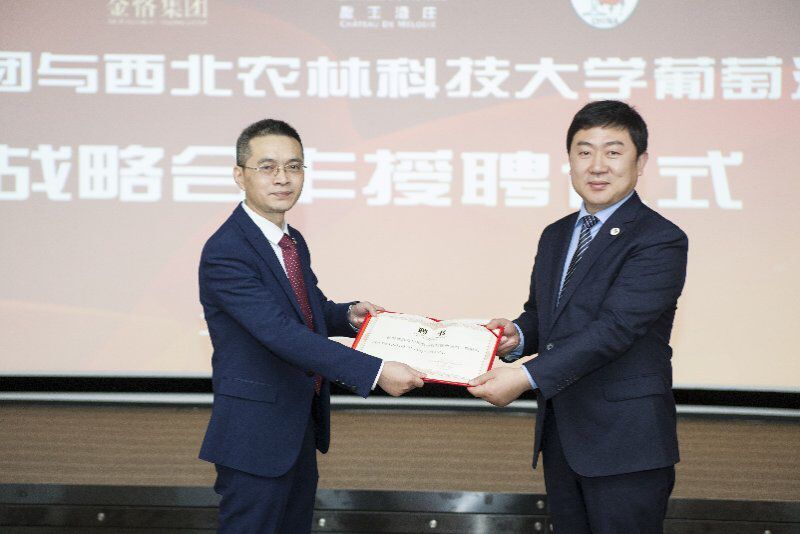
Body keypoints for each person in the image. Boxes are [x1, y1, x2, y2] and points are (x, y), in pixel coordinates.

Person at [469, 100, 688, 533]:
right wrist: (516, 335)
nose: (597, 165)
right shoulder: (556, 234)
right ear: (569, 160)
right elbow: (543, 315)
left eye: (613, 152)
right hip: (563, 437)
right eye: (584, 152)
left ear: (641, 162)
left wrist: (525, 377)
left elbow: (614, 329)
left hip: (626, 443)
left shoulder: (660, 239)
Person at [198, 119, 425, 533]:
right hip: (254, 435)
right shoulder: (227, 251)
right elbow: (280, 332)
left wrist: (346, 316)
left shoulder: (291, 241)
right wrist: (374, 371)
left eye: (294, 166)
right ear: (239, 175)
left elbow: (306, 307)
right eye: (267, 167)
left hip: (296, 425)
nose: (282, 178)